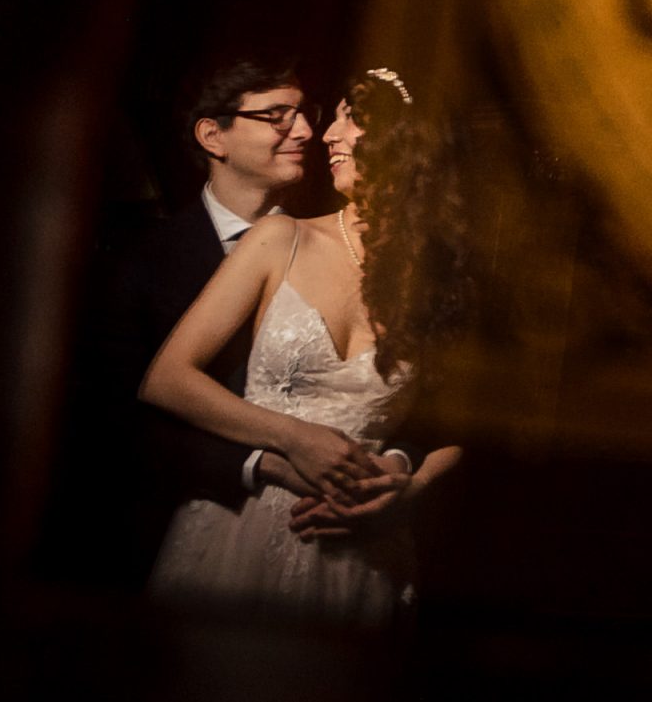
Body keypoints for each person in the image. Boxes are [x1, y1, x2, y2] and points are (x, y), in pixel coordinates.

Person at [143, 65, 465, 623]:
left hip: (367, 553)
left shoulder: (441, 280)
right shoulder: (280, 237)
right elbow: (166, 379)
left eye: (352, 119)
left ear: (407, 144)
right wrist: (294, 440)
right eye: (334, 118)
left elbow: (457, 428)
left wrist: (409, 487)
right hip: (244, 533)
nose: (328, 136)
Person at [88, 59, 317, 582]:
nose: (303, 131)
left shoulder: (328, 248)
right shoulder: (140, 263)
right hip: (175, 538)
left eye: (304, 113)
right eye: (278, 115)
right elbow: (115, 422)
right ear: (214, 135)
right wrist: (260, 464)